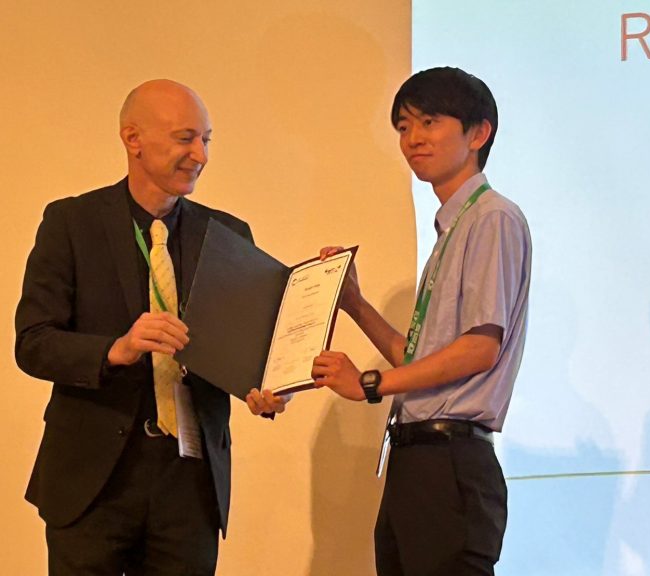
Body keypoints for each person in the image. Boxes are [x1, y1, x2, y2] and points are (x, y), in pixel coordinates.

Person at [15, 79, 285, 575]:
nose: (200, 155)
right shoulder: (71, 223)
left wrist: (268, 386)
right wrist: (116, 349)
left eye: (206, 139)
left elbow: (251, 353)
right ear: (132, 138)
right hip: (92, 480)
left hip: (189, 483)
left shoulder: (228, 235)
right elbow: (33, 343)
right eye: (185, 138)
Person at [312, 67, 531, 575]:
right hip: (416, 460)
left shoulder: (491, 217)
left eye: (429, 122)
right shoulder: (453, 227)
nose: (412, 139)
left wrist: (370, 384)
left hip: (450, 462)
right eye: (404, 126)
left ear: (478, 133)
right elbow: (420, 359)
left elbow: (480, 349)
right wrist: (355, 304)